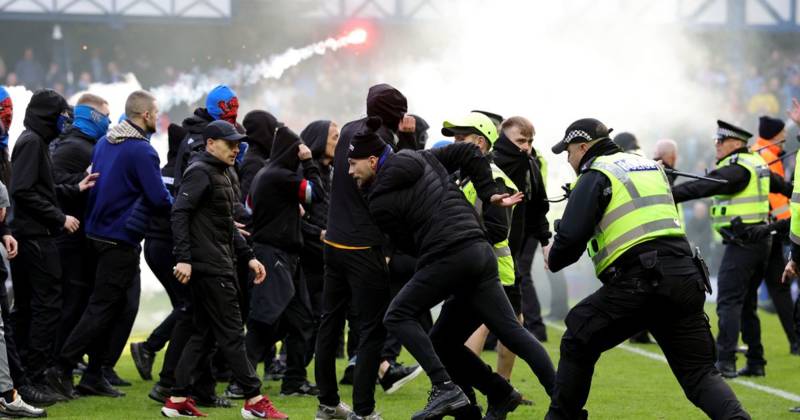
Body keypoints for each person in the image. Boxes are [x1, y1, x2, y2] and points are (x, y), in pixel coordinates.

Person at [348, 118, 555, 420]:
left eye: (353, 164)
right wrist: (488, 192)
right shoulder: (421, 157)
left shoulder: (378, 200)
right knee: (474, 337)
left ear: (371, 160)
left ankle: (444, 387)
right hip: (480, 253)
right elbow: (469, 154)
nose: (350, 171)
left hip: (449, 255)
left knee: (396, 315)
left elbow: (408, 245)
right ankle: (518, 396)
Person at [544, 117, 750, 420]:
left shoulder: (596, 173)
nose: (568, 159)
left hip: (640, 280)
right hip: (685, 276)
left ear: (584, 147)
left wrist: (554, 254)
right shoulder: (650, 167)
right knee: (699, 374)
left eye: (569, 152)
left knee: (578, 334)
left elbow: (571, 238)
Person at [44, 90, 171, 399]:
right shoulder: (143, 151)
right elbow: (158, 199)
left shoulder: (104, 143)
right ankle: (60, 368)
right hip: (121, 237)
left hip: (98, 234)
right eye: (155, 112)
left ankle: (93, 374)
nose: (157, 117)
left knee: (114, 307)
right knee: (101, 309)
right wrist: (178, 201)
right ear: (145, 115)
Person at [160, 119, 284, 419]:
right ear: (210, 143)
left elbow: (225, 223)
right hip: (209, 267)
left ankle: (176, 400)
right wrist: (183, 258)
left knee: (203, 333)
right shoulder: (200, 172)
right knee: (231, 334)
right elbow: (179, 213)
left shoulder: (224, 172)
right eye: (230, 143)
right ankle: (254, 401)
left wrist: (249, 257)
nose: (236, 148)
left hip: (218, 263)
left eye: (238, 143)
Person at [314, 83, 420, 420]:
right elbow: (402, 184)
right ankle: (364, 411)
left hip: (333, 242)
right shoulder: (383, 144)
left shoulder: (347, 129)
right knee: (371, 331)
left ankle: (328, 404)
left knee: (329, 324)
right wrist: (408, 140)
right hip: (365, 247)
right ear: (398, 114)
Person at [671, 120, 792, 378]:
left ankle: (725, 361)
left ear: (735, 144)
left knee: (728, 302)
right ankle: (756, 361)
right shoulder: (755, 164)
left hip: (744, 243)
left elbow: (703, 185)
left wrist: (667, 194)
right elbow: (784, 187)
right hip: (759, 242)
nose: (716, 145)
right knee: (746, 303)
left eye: (720, 141)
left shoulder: (737, 170)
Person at [440, 112, 537, 418]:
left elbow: (497, 230)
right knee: (447, 342)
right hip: (474, 276)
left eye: (460, 138)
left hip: (493, 277)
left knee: (451, 342)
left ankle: (496, 395)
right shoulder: (463, 176)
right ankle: (484, 398)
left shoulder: (493, 177)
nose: (453, 143)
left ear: (479, 142)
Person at [9, 89, 94, 392]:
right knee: (45, 308)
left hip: (32, 236)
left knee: (33, 308)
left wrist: (74, 188)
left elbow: (40, 188)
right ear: (49, 116)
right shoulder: (32, 142)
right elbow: (23, 191)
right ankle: (32, 377)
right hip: (35, 238)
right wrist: (59, 218)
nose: (65, 122)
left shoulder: (35, 141)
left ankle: (22, 377)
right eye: (61, 116)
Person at [50, 93, 130, 392]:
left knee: (87, 306)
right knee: (73, 307)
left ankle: (87, 374)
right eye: (106, 116)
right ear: (93, 117)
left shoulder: (85, 145)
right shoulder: (72, 147)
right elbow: (51, 189)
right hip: (70, 240)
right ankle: (59, 371)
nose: (110, 121)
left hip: (83, 238)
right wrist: (78, 186)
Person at [245, 125, 322, 397]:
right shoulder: (280, 175)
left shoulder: (268, 174)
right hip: (274, 254)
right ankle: (240, 382)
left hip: (285, 256)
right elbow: (316, 194)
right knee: (264, 320)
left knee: (302, 321)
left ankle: (294, 381)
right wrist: (309, 163)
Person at [751, 115, 798, 354]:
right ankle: (795, 341)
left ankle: (752, 352)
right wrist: (786, 228)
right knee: (778, 287)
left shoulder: (757, 151)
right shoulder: (769, 157)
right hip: (771, 229)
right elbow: (779, 200)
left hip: (758, 230)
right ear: (774, 135)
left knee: (767, 287)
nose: (785, 138)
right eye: (782, 134)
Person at [298, 120, 338, 363]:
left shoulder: (332, 173)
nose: (338, 142)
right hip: (305, 253)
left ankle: (297, 369)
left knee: (320, 315)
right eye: (334, 137)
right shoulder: (301, 174)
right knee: (303, 316)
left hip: (324, 255)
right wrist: (317, 233)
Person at [240, 110, 281, 199]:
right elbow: (248, 203)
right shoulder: (254, 163)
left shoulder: (259, 159)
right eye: (273, 132)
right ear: (264, 134)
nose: (277, 137)